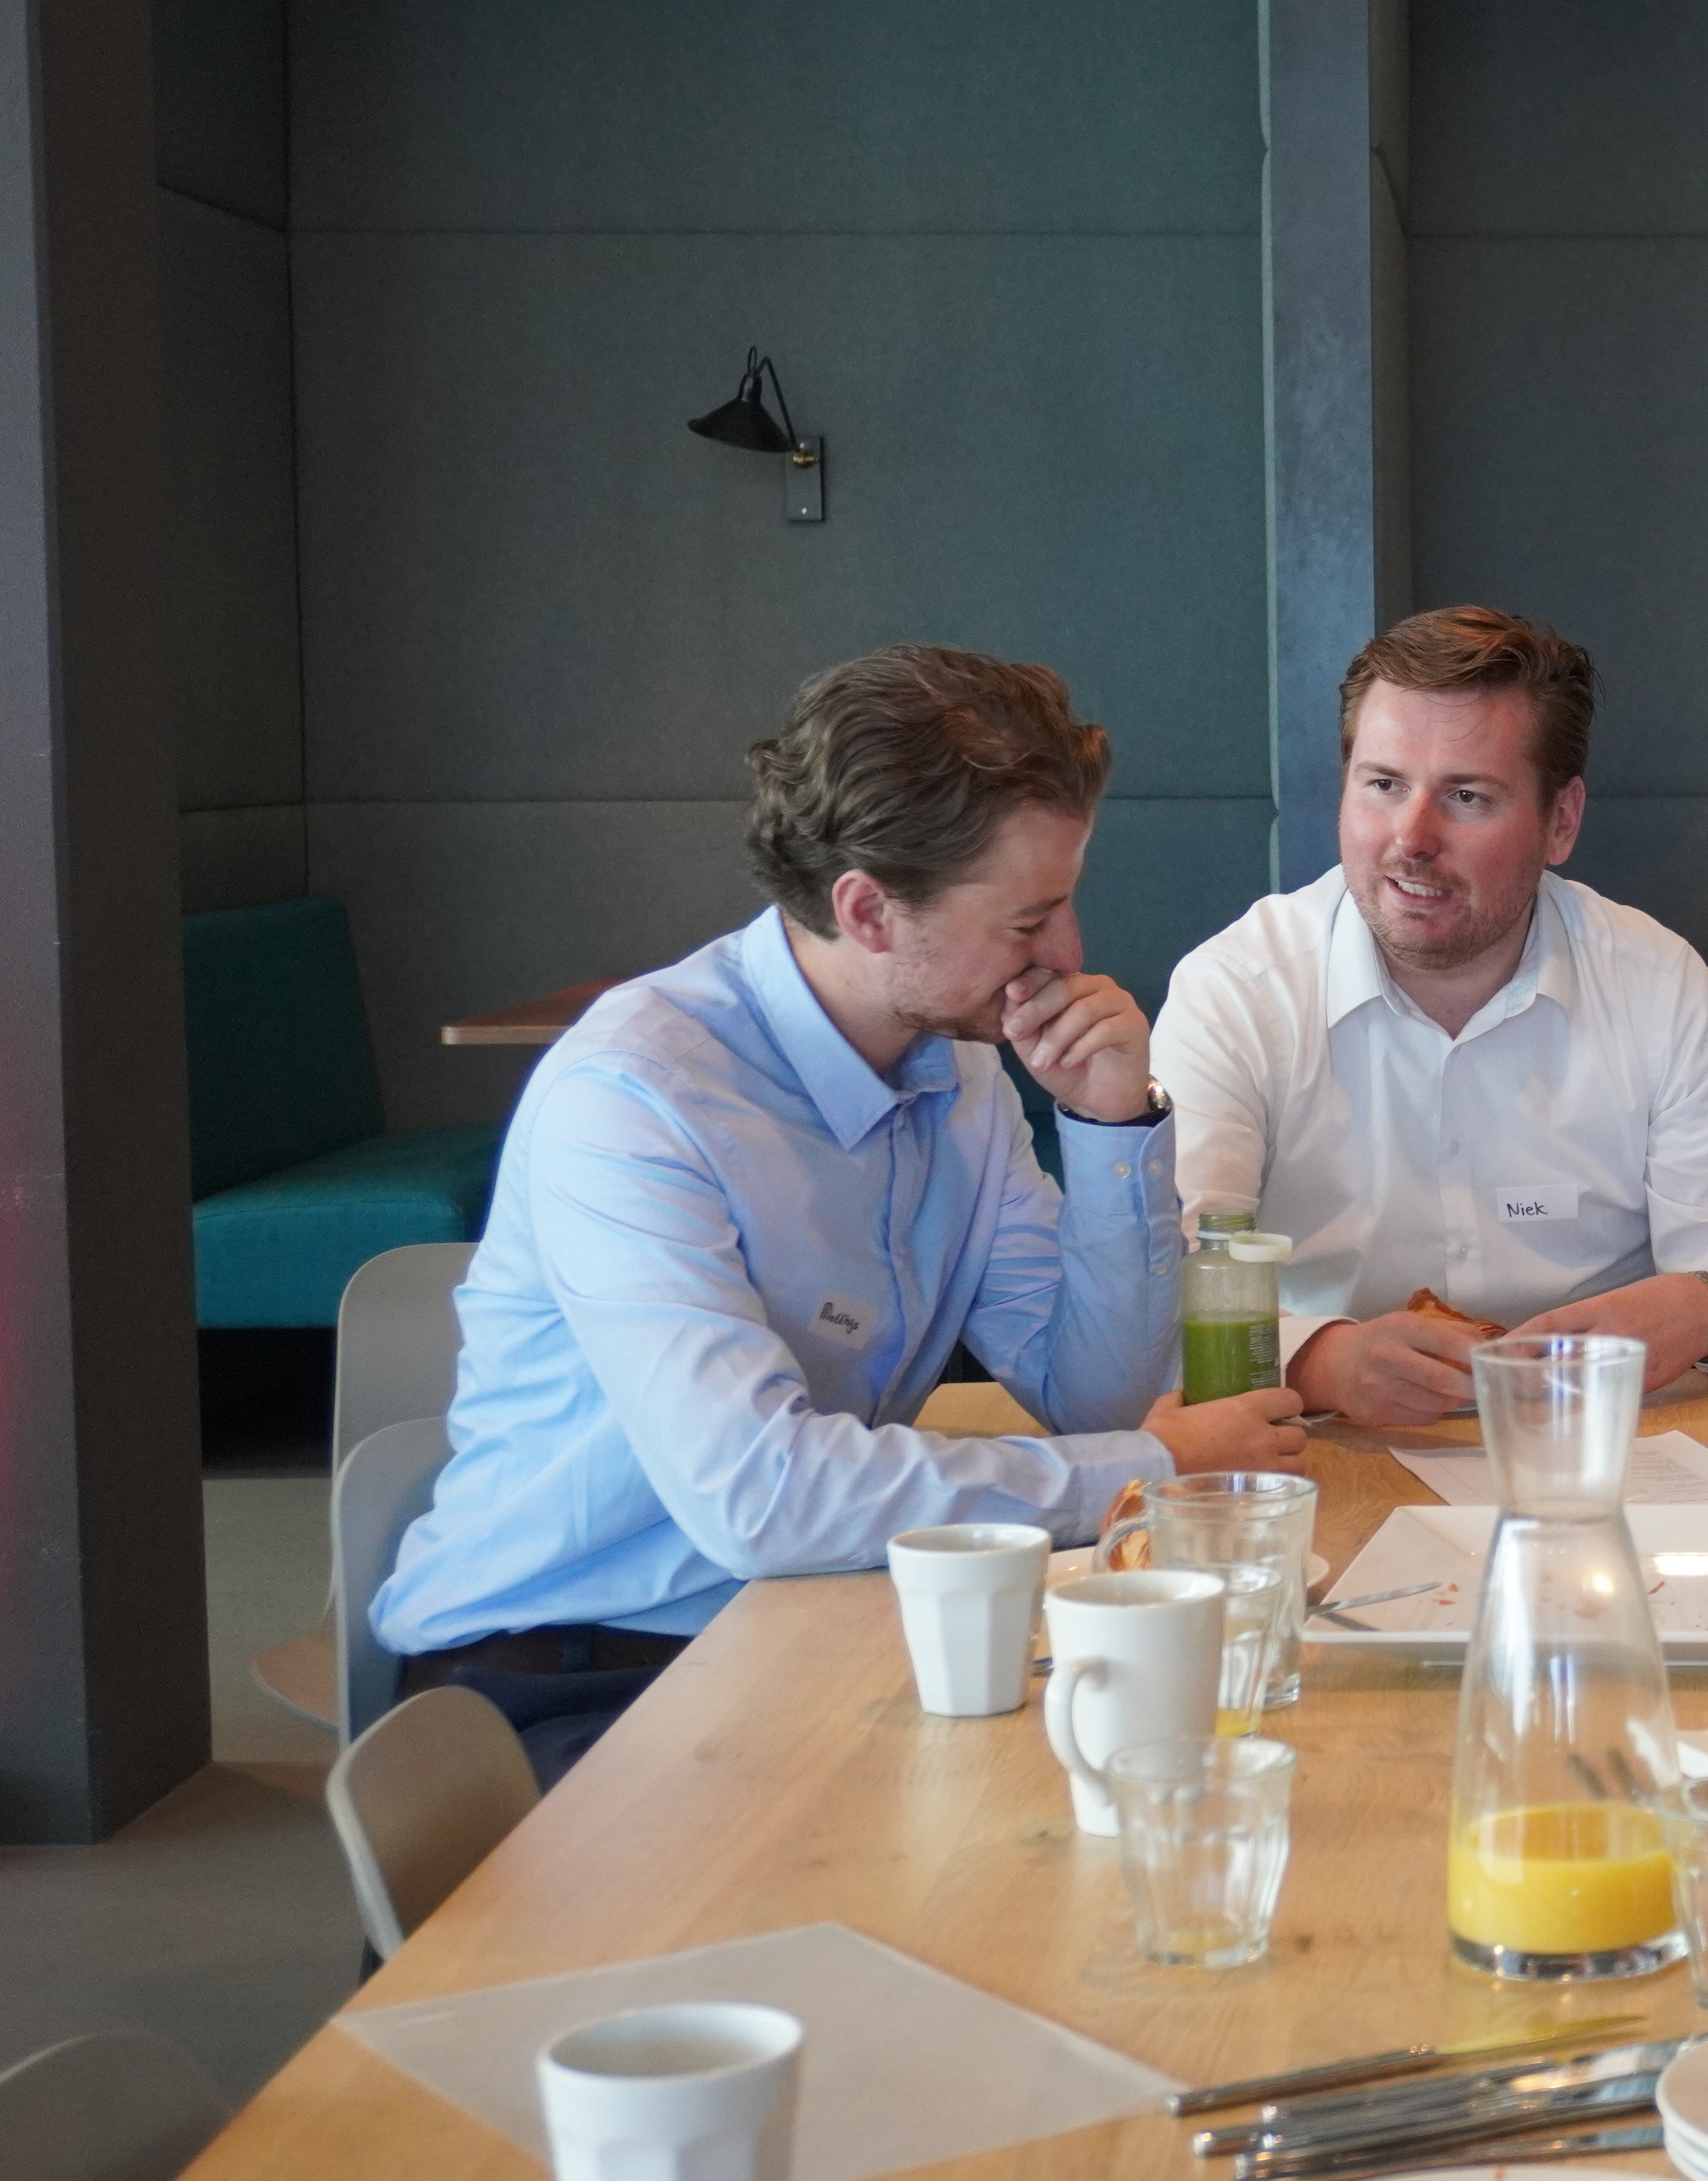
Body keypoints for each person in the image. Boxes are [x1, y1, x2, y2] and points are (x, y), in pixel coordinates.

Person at [375, 645, 1302, 1784]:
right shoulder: (632, 1097)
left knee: (1172, 1769)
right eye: (1027, 923)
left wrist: (1114, 1131)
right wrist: (1148, 1467)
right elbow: (761, 1501)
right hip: (567, 1669)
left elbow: (1094, 1396)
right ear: (867, 910)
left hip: (806, 1619)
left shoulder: (957, 1074)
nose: (1067, 957)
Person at [1150, 606, 1708, 1425]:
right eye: (1384, 785)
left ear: (1560, 822)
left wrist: (1703, 1305)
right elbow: (1153, 1303)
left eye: (1467, 796)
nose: (1411, 839)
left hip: (1606, 1454)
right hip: (1320, 1451)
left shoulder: (1659, 986)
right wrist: (1320, 1360)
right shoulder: (1238, 991)